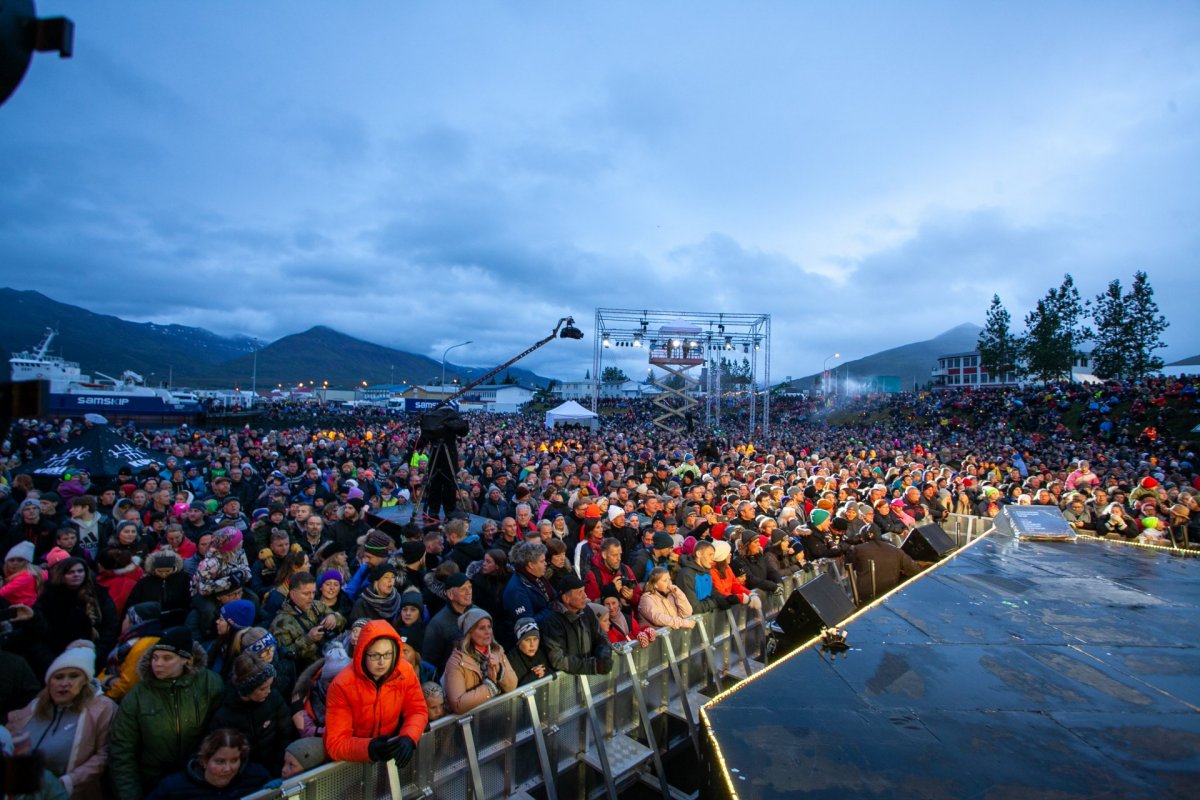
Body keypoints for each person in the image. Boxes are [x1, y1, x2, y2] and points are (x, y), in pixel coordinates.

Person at [109, 627, 225, 800]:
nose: (158, 664)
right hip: (152, 784)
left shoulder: (210, 684)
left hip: (196, 780)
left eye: (167, 658)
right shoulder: (137, 697)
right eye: (155, 657)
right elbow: (122, 753)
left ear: (187, 660)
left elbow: (219, 732)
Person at [6, 641, 118, 800]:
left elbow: (105, 754)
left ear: (85, 681)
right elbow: (11, 735)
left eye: (74, 676)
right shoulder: (36, 704)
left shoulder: (102, 708)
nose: (65, 683)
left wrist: (68, 782)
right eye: (58, 677)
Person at [323, 619, 427, 765]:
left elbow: (417, 710)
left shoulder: (405, 671)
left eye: (388, 654)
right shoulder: (342, 684)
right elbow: (336, 742)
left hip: (390, 752)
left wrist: (409, 737)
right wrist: (368, 748)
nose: (382, 662)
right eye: (375, 655)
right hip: (353, 761)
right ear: (363, 653)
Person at [207, 652, 293, 775]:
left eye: (270, 686)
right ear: (247, 689)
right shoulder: (224, 716)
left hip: (276, 766)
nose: (268, 691)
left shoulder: (274, 698)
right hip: (244, 775)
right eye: (262, 688)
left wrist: (278, 767)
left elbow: (286, 733)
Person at [145, 728, 270, 800]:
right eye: (220, 762)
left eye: (234, 761)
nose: (227, 769)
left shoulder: (257, 778)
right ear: (204, 761)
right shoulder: (172, 789)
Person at [441, 608, 517, 714]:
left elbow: (512, 685)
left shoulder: (497, 650)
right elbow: (458, 705)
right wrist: (490, 685)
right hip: (474, 722)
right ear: (470, 633)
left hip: (503, 714)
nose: (488, 632)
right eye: (481, 628)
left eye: (489, 627)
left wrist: (499, 670)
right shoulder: (456, 661)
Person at [269, 573, 346, 673]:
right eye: (306, 594)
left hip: (330, 660)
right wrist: (308, 639)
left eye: (313, 593)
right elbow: (284, 656)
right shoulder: (281, 622)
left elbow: (344, 622)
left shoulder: (317, 606)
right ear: (292, 594)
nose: (311, 597)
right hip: (307, 673)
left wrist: (334, 617)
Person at [540, 575, 612, 676]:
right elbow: (558, 659)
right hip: (565, 685)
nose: (585, 596)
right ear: (566, 598)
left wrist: (604, 653)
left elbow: (601, 636)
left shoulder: (587, 611)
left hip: (586, 678)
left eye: (584, 591)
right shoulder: (552, 621)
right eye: (579, 593)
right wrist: (593, 666)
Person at [99, 601, 162, 702]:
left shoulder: (143, 646)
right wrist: (104, 681)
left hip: (119, 701)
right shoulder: (130, 642)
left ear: (133, 622)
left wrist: (104, 694)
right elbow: (107, 670)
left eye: (125, 618)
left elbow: (127, 685)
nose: (123, 622)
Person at [849, 530, 923, 605]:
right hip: (891, 595)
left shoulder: (857, 549)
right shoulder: (896, 550)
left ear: (862, 538)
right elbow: (915, 570)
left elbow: (848, 566)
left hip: (866, 599)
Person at [423, 573, 474, 677]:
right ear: (450, 594)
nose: (469, 592)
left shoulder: (478, 613)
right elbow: (429, 664)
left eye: (470, 587)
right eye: (463, 589)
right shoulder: (437, 624)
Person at [506, 617, 552, 686]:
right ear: (519, 641)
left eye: (535, 639)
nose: (532, 644)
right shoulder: (510, 660)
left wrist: (544, 673)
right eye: (527, 640)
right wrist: (534, 676)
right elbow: (514, 690)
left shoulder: (542, 653)